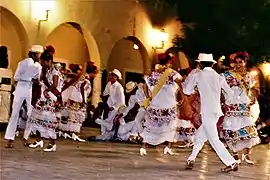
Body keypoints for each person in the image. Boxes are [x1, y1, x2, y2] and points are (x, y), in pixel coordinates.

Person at [184, 53, 238, 173]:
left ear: (200, 64)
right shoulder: (219, 77)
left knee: (213, 139)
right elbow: (230, 93)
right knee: (200, 136)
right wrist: (226, 102)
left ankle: (232, 162)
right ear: (213, 64)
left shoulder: (198, 75)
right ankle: (191, 159)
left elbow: (186, 91)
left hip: (207, 111)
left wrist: (196, 88)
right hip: (216, 111)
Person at [220, 52, 260, 165]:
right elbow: (221, 89)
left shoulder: (249, 76)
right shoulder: (227, 75)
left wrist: (253, 98)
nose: (237, 64)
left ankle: (247, 154)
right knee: (232, 131)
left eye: (240, 62)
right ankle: (235, 155)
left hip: (243, 107)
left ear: (245, 63)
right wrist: (223, 101)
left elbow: (253, 90)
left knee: (249, 130)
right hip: (231, 106)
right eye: (236, 62)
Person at [139, 53, 182, 156]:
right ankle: (168, 146)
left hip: (155, 106)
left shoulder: (153, 74)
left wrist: (148, 97)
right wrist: (181, 94)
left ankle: (143, 147)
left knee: (151, 127)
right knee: (172, 125)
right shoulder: (171, 74)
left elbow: (145, 86)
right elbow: (180, 82)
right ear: (168, 62)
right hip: (168, 105)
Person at [5, 45, 43, 148]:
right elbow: (16, 77)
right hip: (20, 90)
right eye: (38, 54)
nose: (39, 56)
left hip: (30, 91)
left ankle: (26, 137)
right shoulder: (22, 63)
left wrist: (37, 80)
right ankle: (10, 139)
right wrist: (30, 79)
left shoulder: (38, 66)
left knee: (31, 114)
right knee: (15, 114)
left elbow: (38, 79)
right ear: (34, 54)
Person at [26, 49, 63, 152]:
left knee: (47, 120)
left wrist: (47, 90)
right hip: (45, 96)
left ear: (49, 61)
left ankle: (52, 143)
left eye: (44, 62)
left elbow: (55, 84)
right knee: (37, 117)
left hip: (52, 97)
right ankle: (39, 139)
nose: (42, 64)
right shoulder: (47, 70)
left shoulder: (55, 70)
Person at [59, 64, 98, 142]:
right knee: (77, 116)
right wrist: (84, 100)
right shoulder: (86, 78)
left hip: (75, 97)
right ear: (93, 72)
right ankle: (74, 133)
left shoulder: (83, 77)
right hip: (79, 98)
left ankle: (69, 132)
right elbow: (82, 88)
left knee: (72, 115)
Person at [95, 69, 125, 140]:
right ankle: (103, 135)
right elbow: (105, 94)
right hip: (107, 106)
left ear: (116, 77)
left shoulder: (119, 87)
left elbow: (121, 101)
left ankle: (110, 135)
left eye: (113, 76)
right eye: (110, 76)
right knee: (104, 119)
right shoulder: (109, 84)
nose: (111, 77)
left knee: (109, 122)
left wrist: (114, 107)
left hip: (115, 108)